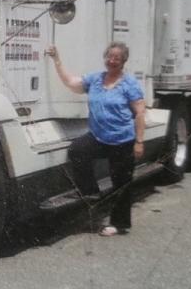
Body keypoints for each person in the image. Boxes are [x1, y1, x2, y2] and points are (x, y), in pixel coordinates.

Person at [45, 42, 146, 236]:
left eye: (117, 58)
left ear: (124, 61)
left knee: (122, 184)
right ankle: (91, 193)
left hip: (122, 141)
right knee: (78, 150)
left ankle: (119, 223)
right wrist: (57, 60)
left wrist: (139, 142)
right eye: (109, 56)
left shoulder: (130, 84)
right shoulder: (96, 79)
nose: (112, 60)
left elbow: (140, 113)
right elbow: (71, 83)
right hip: (99, 137)